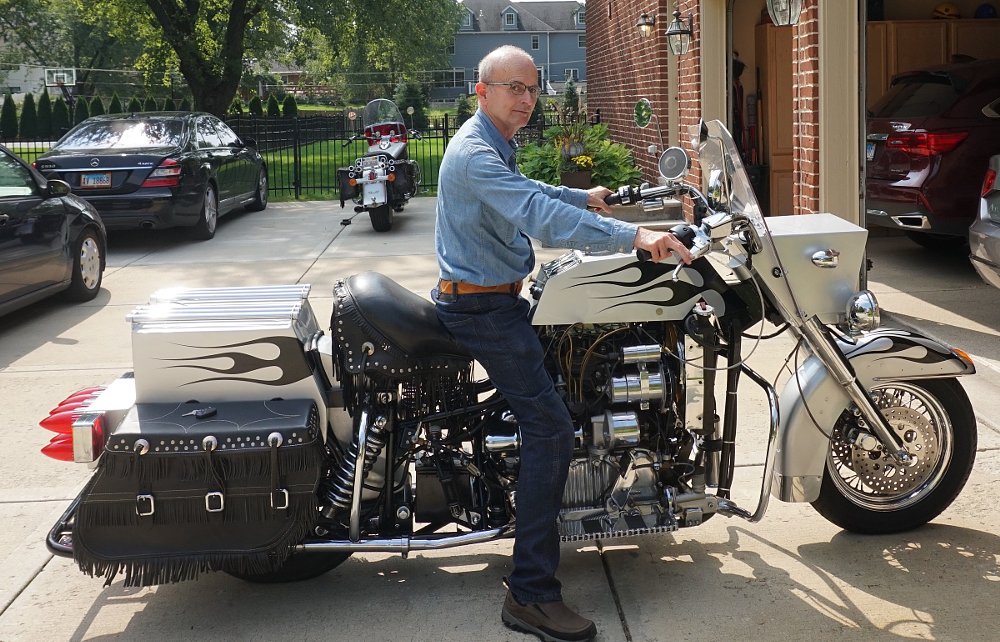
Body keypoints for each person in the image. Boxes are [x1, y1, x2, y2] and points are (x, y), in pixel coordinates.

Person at [432, 45, 692, 642]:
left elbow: (526, 190)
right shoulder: (475, 151)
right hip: (482, 307)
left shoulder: (492, 142)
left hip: (492, 296)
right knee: (549, 427)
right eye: (514, 88)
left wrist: (585, 197)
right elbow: (534, 214)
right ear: (483, 91)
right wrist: (635, 235)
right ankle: (530, 594)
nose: (526, 100)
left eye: (532, 89)